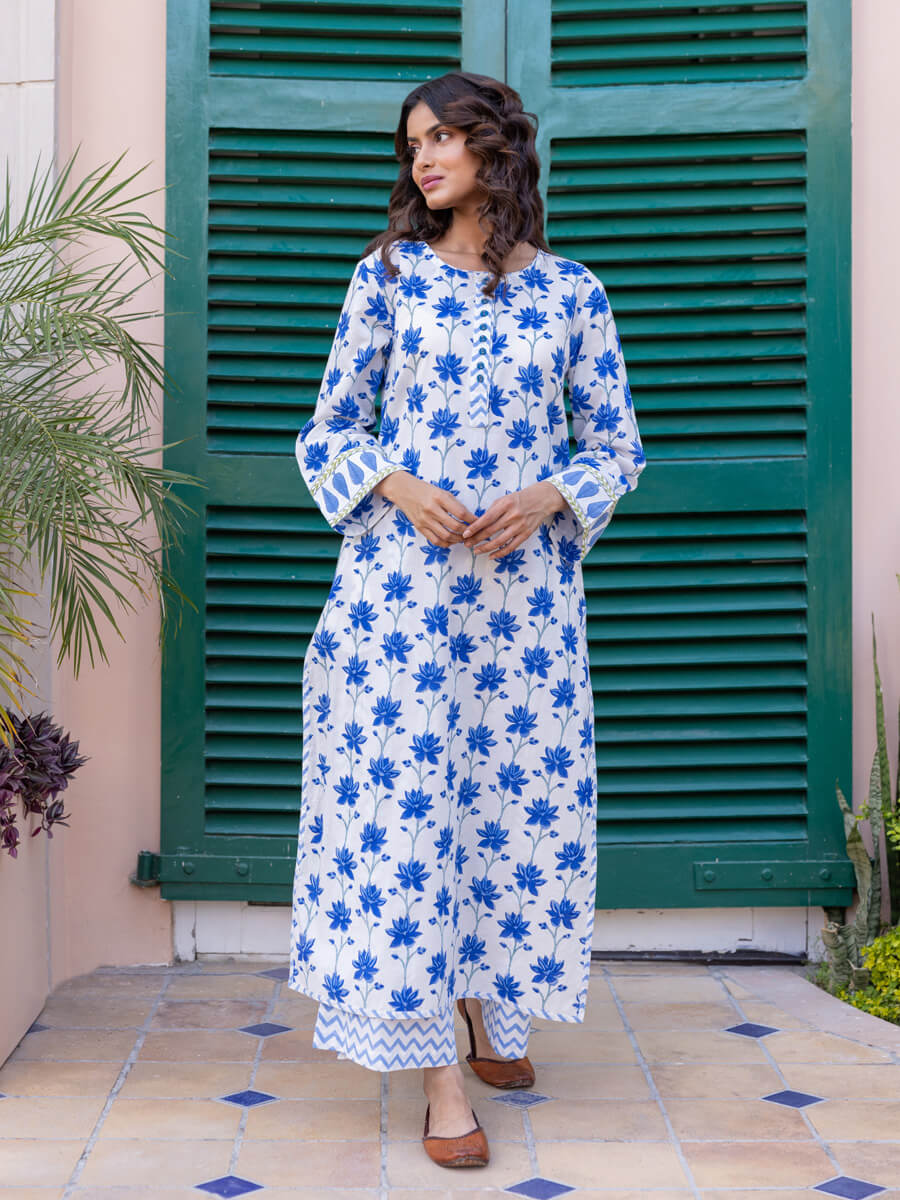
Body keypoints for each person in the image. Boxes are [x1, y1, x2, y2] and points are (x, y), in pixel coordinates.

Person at [289, 69, 646, 1169]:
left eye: (444, 136)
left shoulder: (574, 294)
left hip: (524, 612)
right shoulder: (387, 277)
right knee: (412, 821)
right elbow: (328, 430)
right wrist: (399, 486)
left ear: (497, 148)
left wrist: (549, 495)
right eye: (414, 145)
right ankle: (440, 1075)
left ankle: (495, 1012)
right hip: (401, 602)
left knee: (507, 808)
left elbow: (617, 447)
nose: (425, 158)